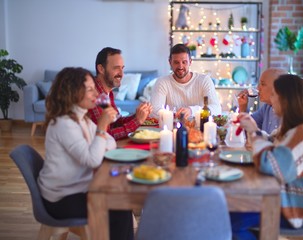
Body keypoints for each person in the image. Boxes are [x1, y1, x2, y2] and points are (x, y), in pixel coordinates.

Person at [38, 67, 134, 240]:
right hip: (61, 198)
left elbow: (110, 144)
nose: (96, 94)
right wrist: (102, 127)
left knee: (122, 202)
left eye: (94, 88)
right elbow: (93, 160)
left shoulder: (81, 117)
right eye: (89, 89)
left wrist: (101, 132)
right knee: (118, 207)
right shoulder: (63, 123)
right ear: (73, 93)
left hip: (78, 187)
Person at [231, 74, 303, 240]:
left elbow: (269, 165)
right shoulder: (295, 129)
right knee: (232, 212)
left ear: (286, 99)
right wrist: (257, 132)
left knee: (232, 221)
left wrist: (253, 131)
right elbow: (273, 142)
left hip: (290, 208)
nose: (271, 99)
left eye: (274, 95)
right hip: (281, 198)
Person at [88, 47, 152, 140]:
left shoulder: (108, 93)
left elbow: (115, 122)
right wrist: (137, 121)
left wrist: (138, 115)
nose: (122, 74)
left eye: (122, 68)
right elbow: (105, 135)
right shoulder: (93, 94)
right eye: (116, 68)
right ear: (101, 69)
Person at [150, 43, 221, 119]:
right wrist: (175, 115)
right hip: (171, 126)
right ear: (170, 62)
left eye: (184, 62)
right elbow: (154, 111)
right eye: (176, 62)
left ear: (190, 62)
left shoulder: (204, 80)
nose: (180, 66)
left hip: (198, 128)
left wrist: (191, 110)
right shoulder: (162, 82)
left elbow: (217, 109)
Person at [237, 68, 287, 134]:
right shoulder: (267, 107)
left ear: (277, 88)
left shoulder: (290, 113)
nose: (258, 88)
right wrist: (243, 106)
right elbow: (247, 127)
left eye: (263, 84)